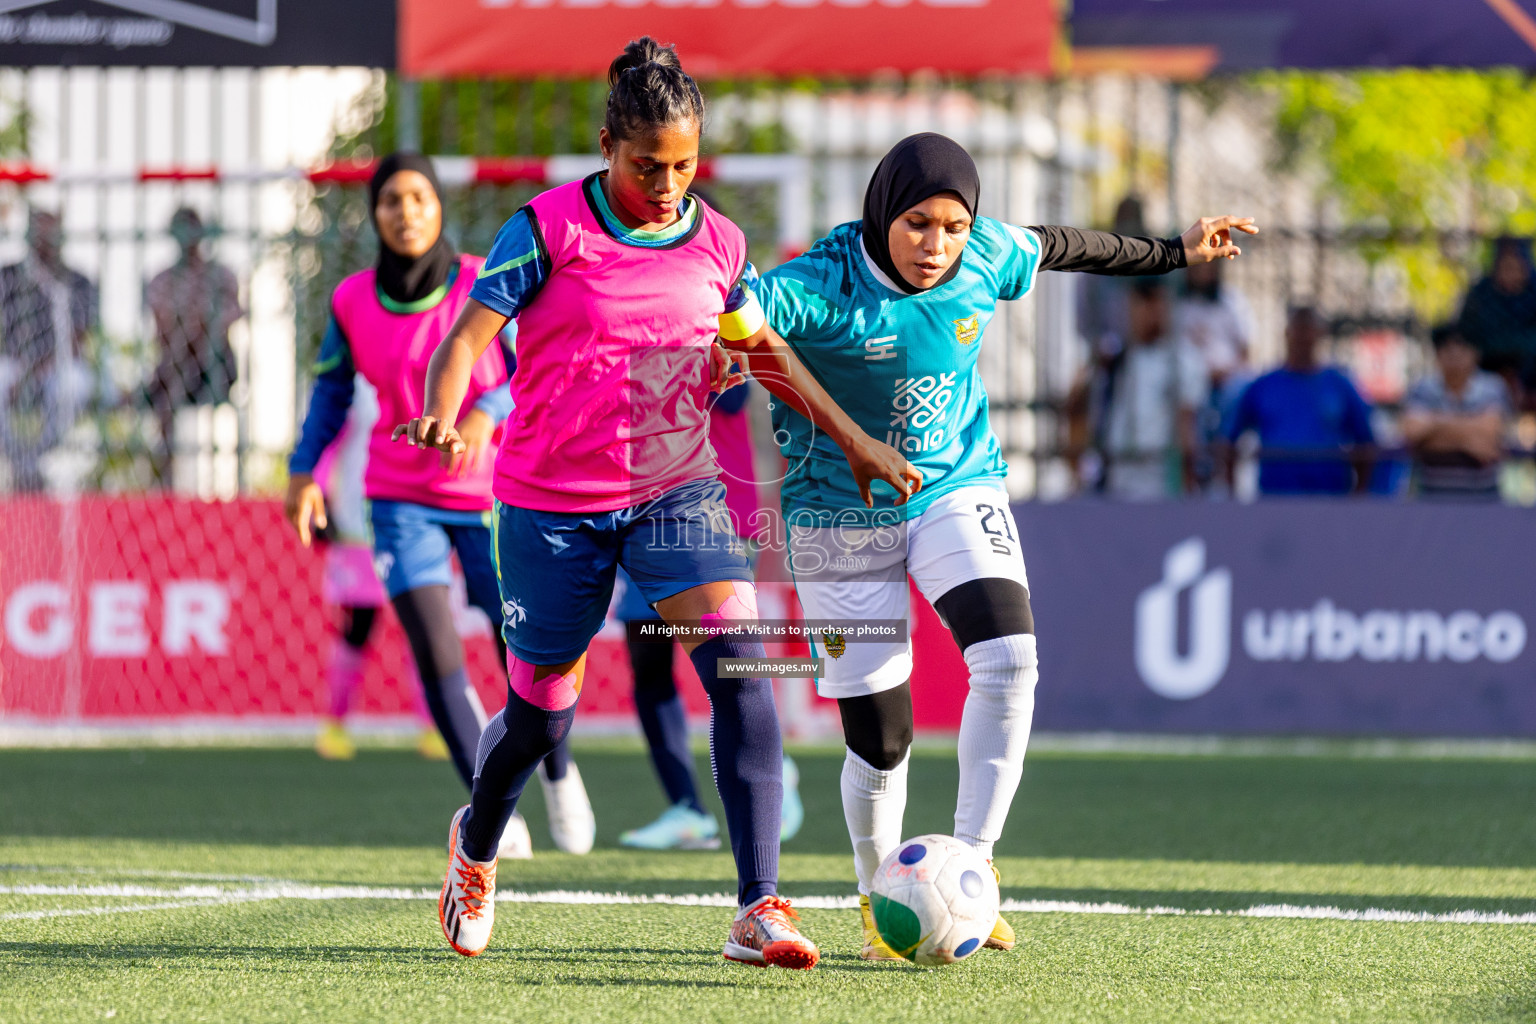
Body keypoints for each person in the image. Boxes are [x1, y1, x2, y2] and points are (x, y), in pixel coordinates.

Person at [399, 37, 916, 969]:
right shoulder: (548, 229)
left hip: (676, 492)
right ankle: (475, 846)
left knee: (742, 665)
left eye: (683, 164)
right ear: (607, 146)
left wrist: (854, 438)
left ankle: (760, 904)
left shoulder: (720, 242)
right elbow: (466, 338)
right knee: (543, 716)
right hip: (550, 504)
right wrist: (441, 413)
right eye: (648, 166)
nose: (669, 183)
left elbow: (762, 355)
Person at [750, 132, 1256, 960]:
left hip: (955, 483)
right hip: (837, 518)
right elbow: (742, 327)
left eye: (952, 226)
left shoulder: (986, 254)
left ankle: (972, 871)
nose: (936, 245)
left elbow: (1066, 246)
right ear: (883, 212)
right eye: (917, 224)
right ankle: (883, 894)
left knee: (1011, 656)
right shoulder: (821, 282)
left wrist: (1175, 249)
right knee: (881, 739)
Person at [285, 152, 595, 860]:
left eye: (419, 197)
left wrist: (486, 411)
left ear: (439, 207)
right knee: (437, 653)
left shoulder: (484, 279)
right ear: (375, 215)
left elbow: (535, 366)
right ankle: (494, 807)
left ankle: (559, 771)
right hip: (399, 500)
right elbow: (331, 394)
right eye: (392, 200)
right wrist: (303, 470)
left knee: (524, 647)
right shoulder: (351, 300)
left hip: (496, 496)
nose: (407, 211)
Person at [614, 378, 804, 850]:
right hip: (646, 516)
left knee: (732, 663)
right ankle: (687, 809)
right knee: (647, 659)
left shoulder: (711, 313)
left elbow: (735, 394)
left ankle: (776, 768)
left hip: (720, 515)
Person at [310, 378, 455, 764]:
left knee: (423, 627)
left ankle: (435, 725)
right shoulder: (353, 380)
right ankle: (335, 724)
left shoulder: (431, 369)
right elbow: (329, 438)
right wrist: (320, 492)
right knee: (357, 627)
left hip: (410, 520)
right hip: (358, 523)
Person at [1223, 307, 1375, 497]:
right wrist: (1232, 494)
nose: (1303, 338)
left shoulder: (1341, 386)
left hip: (1330, 499)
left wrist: (1359, 496)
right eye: (1298, 330)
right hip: (1275, 499)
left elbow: (1366, 444)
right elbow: (1229, 441)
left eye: (1309, 330)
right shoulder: (1262, 386)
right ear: (1287, 334)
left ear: (1321, 335)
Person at [0, 208, 97, 492]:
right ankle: (19, 461)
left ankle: (35, 462)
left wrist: (37, 370)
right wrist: (24, 370)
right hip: (14, 362)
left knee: (73, 385)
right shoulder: (8, 276)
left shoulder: (77, 279)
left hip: (57, 365)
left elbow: (79, 339)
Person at [146, 207, 244, 490]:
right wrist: (195, 323)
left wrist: (194, 326)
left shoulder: (221, 275)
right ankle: (165, 478)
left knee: (197, 366)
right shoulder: (163, 279)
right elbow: (163, 326)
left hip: (213, 363)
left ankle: (220, 483)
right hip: (175, 363)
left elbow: (227, 318)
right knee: (164, 389)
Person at [1096, 277, 1208, 500]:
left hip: (1160, 480)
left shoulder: (1183, 359)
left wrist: (1186, 482)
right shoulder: (1120, 357)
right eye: (1140, 302)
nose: (1148, 311)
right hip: (1118, 477)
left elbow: (1187, 424)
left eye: (1155, 301)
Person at [1401, 324, 1510, 502]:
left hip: (1484, 500)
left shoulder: (1492, 387)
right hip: (1431, 500)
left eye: (1462, 348)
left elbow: (1490, 434)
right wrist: (1472, 439)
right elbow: (1413, 432)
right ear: (1437, 354)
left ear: (1475, 353)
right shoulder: (1422, 388)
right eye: (1447, 349)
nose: (1455, 355)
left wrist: (1434, 427)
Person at [1458, 236, 1536, 399]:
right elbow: (1468, 336)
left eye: (1516, 267)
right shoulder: (1480, 295)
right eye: (1505, 267)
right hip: (1487, 371)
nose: (1511, 274)